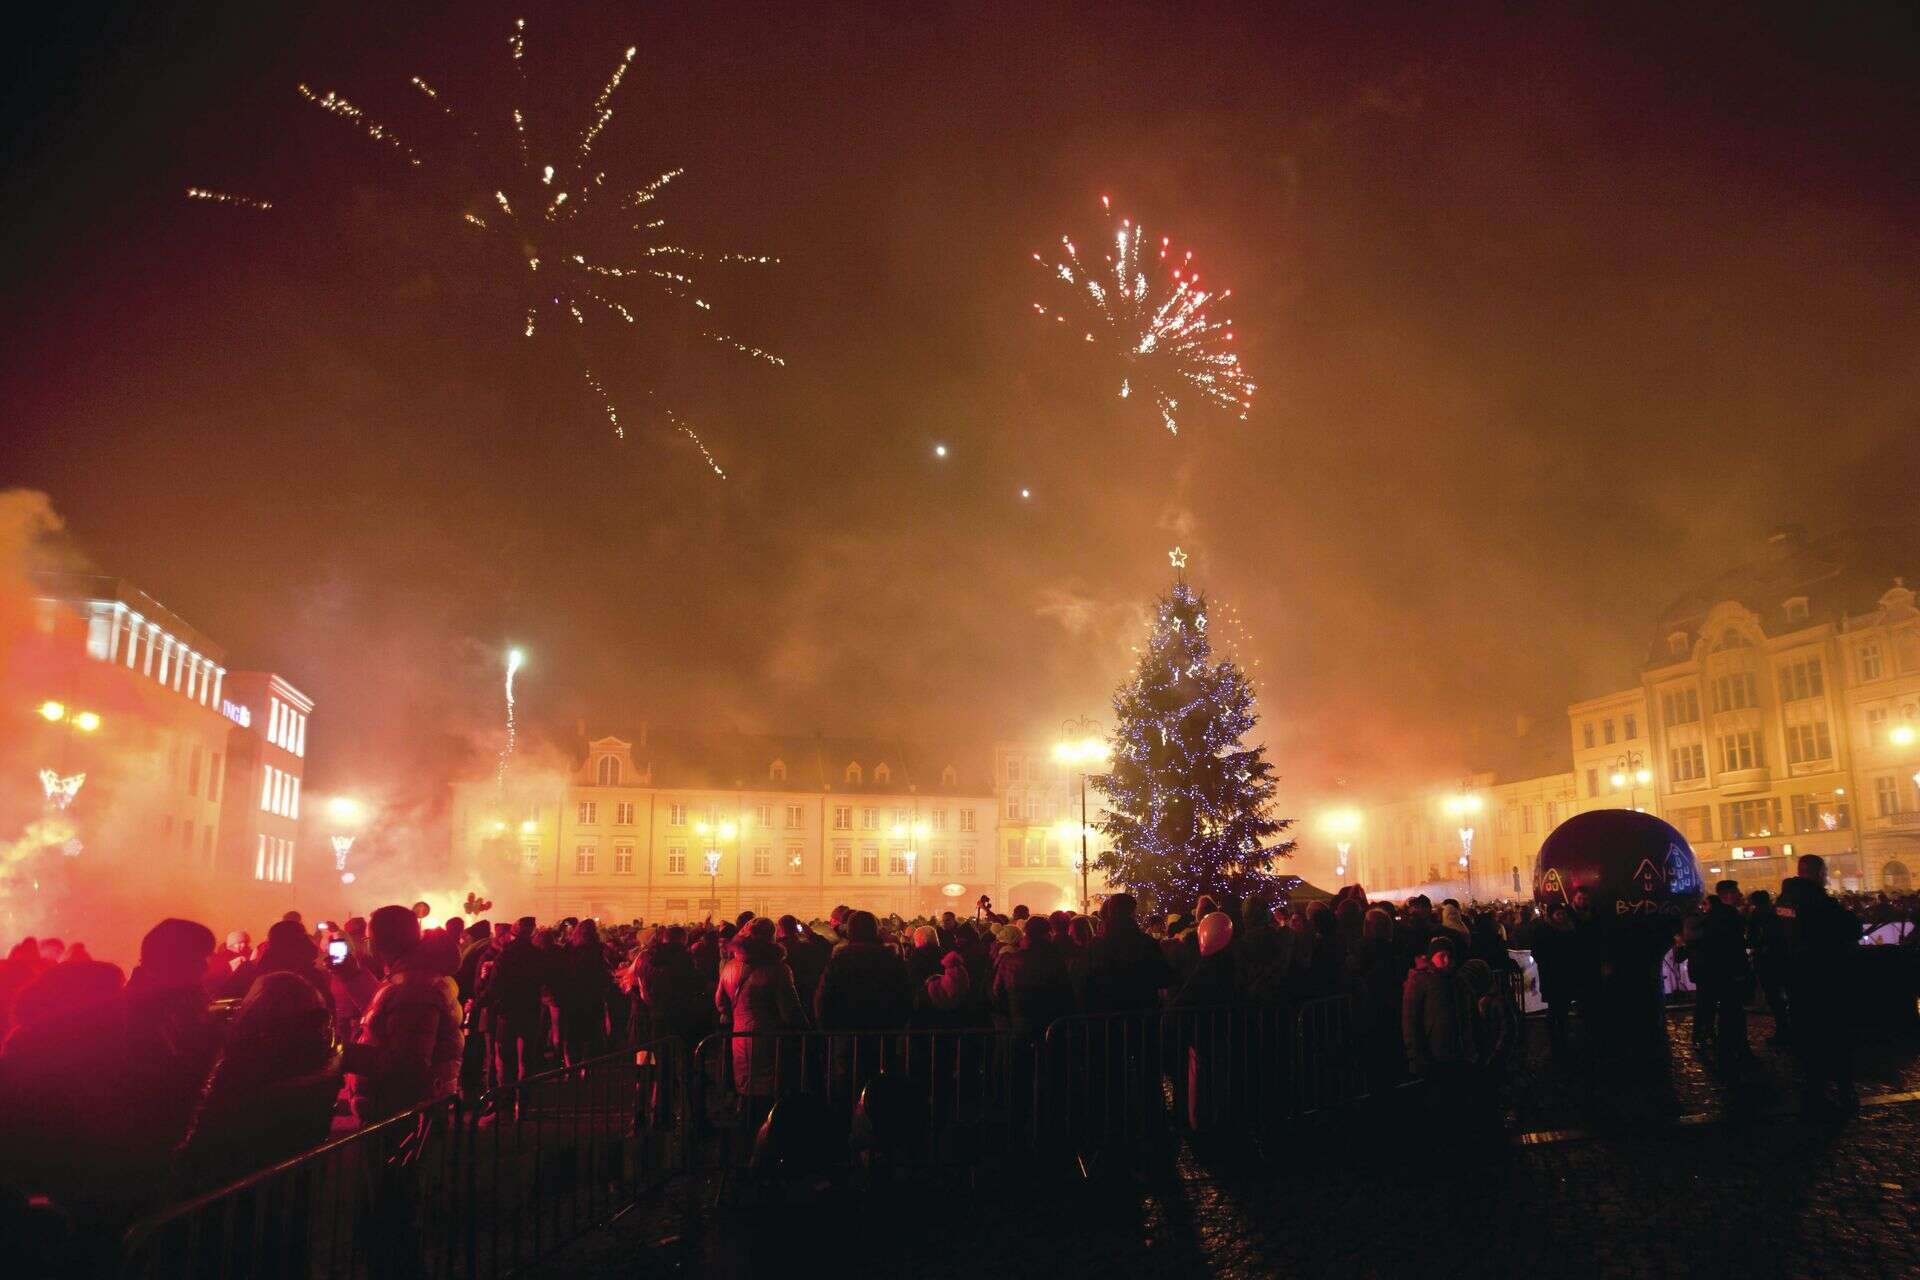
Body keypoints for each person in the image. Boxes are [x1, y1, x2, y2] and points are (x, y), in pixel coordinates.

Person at [174, 973, 342, 1192]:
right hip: (295, 1180)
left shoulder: (252, 1058)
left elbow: (214, 1124)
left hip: (235, 1180)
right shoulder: (322, 1052)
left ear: (257, 1006)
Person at [342, 905, 464, 1124]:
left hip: (401, 1113)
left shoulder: (414, 986)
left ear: (381, 942)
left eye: (370, 939)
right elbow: (390, 1013)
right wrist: (352, 976)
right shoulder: (410, 976)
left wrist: (344, 1054)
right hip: (404, 1108)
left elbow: (407, 1063)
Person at [1782, 855, 1863, 1115]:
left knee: (1806, 1036)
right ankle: (1842, 1087)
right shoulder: (1821, 903)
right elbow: (1850, 928)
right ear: (1818, 873)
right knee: (1836, 1035)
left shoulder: (1784, 903)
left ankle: (1813, 1089)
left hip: (1797, 979)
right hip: (1826, 979)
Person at [713, 918, 806, 1101]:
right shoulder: (779, 970)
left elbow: (721, 1004)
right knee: (770, 1094)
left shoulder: (730, 966)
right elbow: (790, 1012)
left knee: (746, 1090)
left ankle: (745, 1126)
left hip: (740, 1038)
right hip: (772, 1039)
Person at [479, 916, 551, 1092]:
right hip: (531, 1010)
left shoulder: (506, 955)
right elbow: (545, 981)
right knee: (527, 1059)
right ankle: (523, 1104)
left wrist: (480, 1000)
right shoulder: (538, 955)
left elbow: (495, 986)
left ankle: (505, 1101)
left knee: (505, 1059)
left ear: (513, 934)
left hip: (508, 1012)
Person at [814, 911, 914, 1030]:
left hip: (846, 1032)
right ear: (876, 931)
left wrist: (830, 1027)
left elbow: (824, 998)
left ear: (849, 931)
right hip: (884, 1032)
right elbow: (905, 996)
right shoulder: (891, 959)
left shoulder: (840, 960)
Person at [990, 916, 1077, 1044]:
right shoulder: (1057, 961)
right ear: (1048, 934)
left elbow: (997, 993)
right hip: (1050, 1026)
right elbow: (1067, 993)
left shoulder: (1009, 960)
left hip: (1018, 1025)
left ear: (1026, 934)